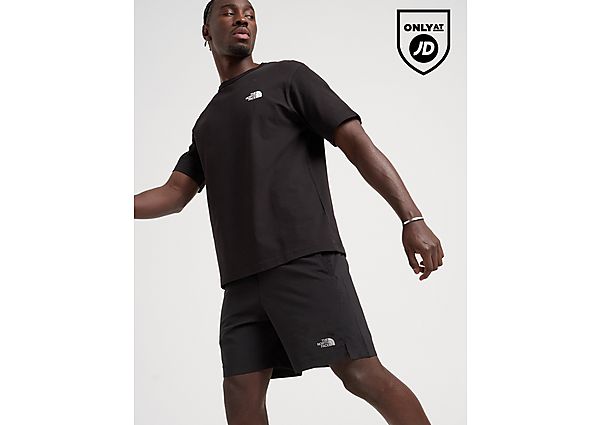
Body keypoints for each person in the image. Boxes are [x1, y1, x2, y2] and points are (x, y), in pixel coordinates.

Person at [134, 0, 444, 424]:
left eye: (249, 12)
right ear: (206, 31)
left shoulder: (288, 78)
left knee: (359, 372)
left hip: (305, 261)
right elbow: (174, 193)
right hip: (241, 283)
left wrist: (412, 218)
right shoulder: (206, 123)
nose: (242, 18)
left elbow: (357, 144)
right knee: (241, 396)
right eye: (228, 11)